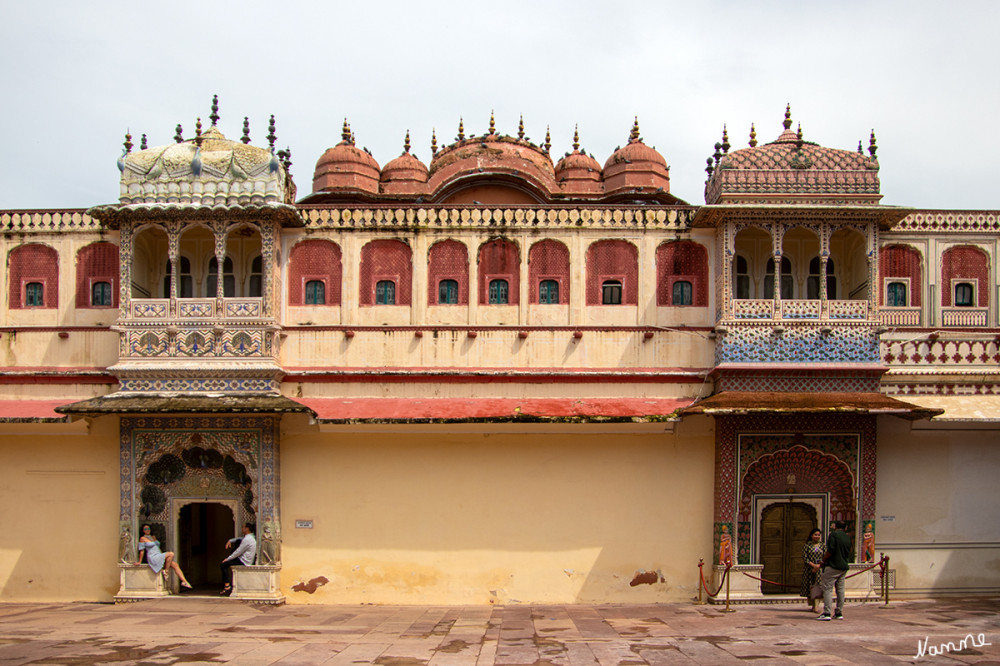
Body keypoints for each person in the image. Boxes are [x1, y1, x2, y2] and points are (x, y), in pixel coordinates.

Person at [137, 524, 192, 589]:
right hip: (153, 556)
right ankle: (166, 571)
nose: (147, 530)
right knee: (171, 554)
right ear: (143, 530)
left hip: (158, 554)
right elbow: (142, 551)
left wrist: (162, 556)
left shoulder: (153, 537)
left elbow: (157, 547)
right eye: (145, 529)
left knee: (175, 565)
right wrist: (139, 561)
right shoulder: (142, 538)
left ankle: (184, 581)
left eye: (148, 528)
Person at [816, 520, 851, 620]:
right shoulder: (847, 537)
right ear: (845, 528)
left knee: (827, 588)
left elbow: (830, 550)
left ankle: (827, 613)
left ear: (835, 527)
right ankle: (839, 612)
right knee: (840, 589)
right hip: (843, 566)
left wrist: (823, 560)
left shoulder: (834, 535)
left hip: (833, 565)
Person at [220, 522, 257, 595]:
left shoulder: (247, 539)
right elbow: (240, 539)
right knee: (238, 541)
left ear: (247, 529)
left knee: (223, 565)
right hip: (245, 559)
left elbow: (238, 552)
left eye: (243, 527)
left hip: (244, 561)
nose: (242, 529)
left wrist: (228, 559)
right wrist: (231, 540)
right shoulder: (251, 537)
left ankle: (227, 587)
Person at [801, 528, 824, 612]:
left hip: (820, 570)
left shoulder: (822, 545)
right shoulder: (807, 545)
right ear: (811, 536)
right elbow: (805, 557)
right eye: (815, 535)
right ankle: (813, 604)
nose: (817, 536)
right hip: (809, 569)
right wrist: (813, 565)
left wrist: (818, 566)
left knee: (818, 587)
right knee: (810, 586)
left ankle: (817, 605)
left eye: (818, 535)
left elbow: (825, 556)